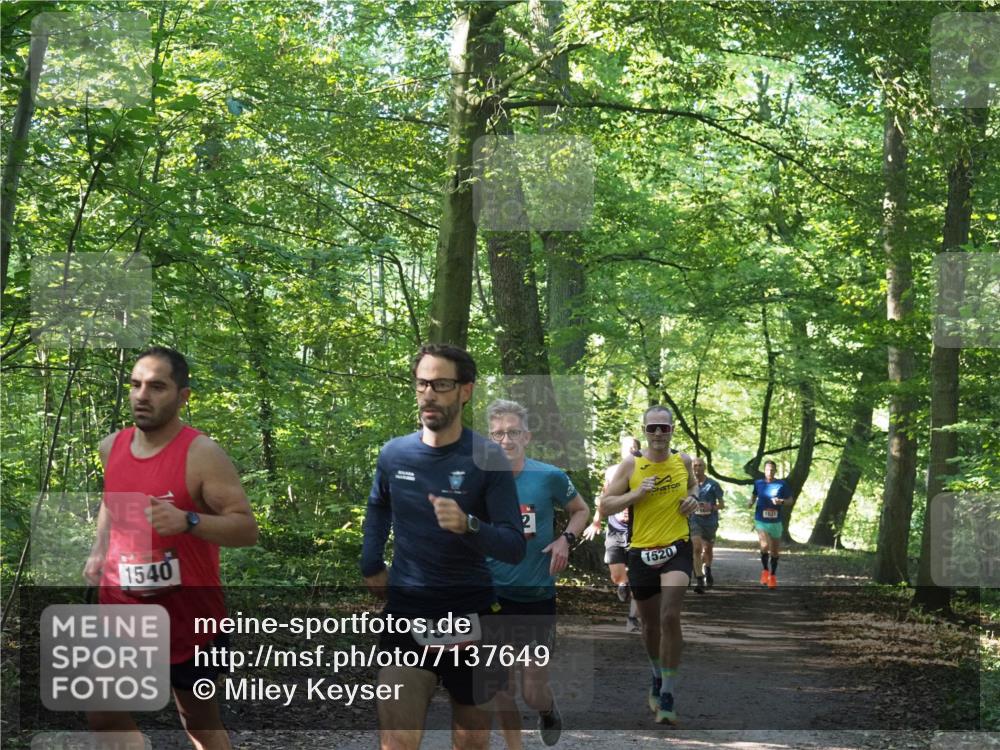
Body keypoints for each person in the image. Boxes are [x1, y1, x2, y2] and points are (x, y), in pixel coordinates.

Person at [83, 346, 259, 750]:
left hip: (190, 622)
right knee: (102, 711)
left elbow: (246, 529)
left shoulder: (201, 454)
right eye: (136, 384)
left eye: (157, 387)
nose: (142, 395)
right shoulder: (112, 446)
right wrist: (99, 546)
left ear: (183, 396)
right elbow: (113, 502)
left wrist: (189, 520)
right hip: (122, 613)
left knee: (199, 724)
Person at [360, 344, 526, 750]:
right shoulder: (394, 453)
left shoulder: (488, 458)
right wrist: (370, 560)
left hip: (472, 618)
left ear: (465, 391)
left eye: (441, 384)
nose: (429, 393)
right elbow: (379, 503)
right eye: (422, 384)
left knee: (471, 744)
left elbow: (513, 546)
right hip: (407, 614)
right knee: (396, 743)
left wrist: (469, 525)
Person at [485, 399, 590, 749]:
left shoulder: (548, 476)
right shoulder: (479, 482)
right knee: (500, 687)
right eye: (498, 433)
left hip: (536, 599)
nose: (506, 440)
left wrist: (565, 539)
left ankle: (548, 709)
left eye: (513, 432)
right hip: (492, 597)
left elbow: (581, 510)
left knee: (532, 692)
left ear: (526, 436)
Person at [599, 406, 698, 726]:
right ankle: (657, 676)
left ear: (672, 431)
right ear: (644, 430)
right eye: (652, 428)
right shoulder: (632, 465)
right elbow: (604, 504)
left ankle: (667, 693)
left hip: (677, 549)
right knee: (650, 625)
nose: (658, 434)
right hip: (641, 552)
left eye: (663, 428)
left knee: (670, 615)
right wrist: (636, 494)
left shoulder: (682, 461)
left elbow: (693, 486)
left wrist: (693, 499)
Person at [583, 437, 642, 632]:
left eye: (634, 447)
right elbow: (604, 498)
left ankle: (633, 619)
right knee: (617, 574)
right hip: (616, 527)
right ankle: (623, 584)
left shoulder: (645, 470)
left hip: (640, 529)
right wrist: (597, 520)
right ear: (621, 451)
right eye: (628, 448)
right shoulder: (611, 471)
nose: (631, 450)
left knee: (638, 575)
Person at [749, 460, 790, 589]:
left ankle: (772, 576)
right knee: (764, 545)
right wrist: (750, 502)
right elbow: (754, 495)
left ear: (775, 471)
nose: (770, 472)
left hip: (776, 521)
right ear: (764, 471)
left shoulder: (782, 484)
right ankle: (765, 571)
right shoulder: (758, 483)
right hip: (760, 519)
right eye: (767, 470)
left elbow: (790, 501)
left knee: (775, 552)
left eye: (772, 470)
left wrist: (781, 501)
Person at [689, 457, 725, 593]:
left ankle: (708, 569)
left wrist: (711, 507)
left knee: (707, 550)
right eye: (695, 465)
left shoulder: (713, 484)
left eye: (700, 465)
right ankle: (699, 579)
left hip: (710, 522)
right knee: (696, 548)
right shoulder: (688, 484)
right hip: (694, 520)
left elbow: (722, 504)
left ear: (704, 467)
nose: (697, 468)